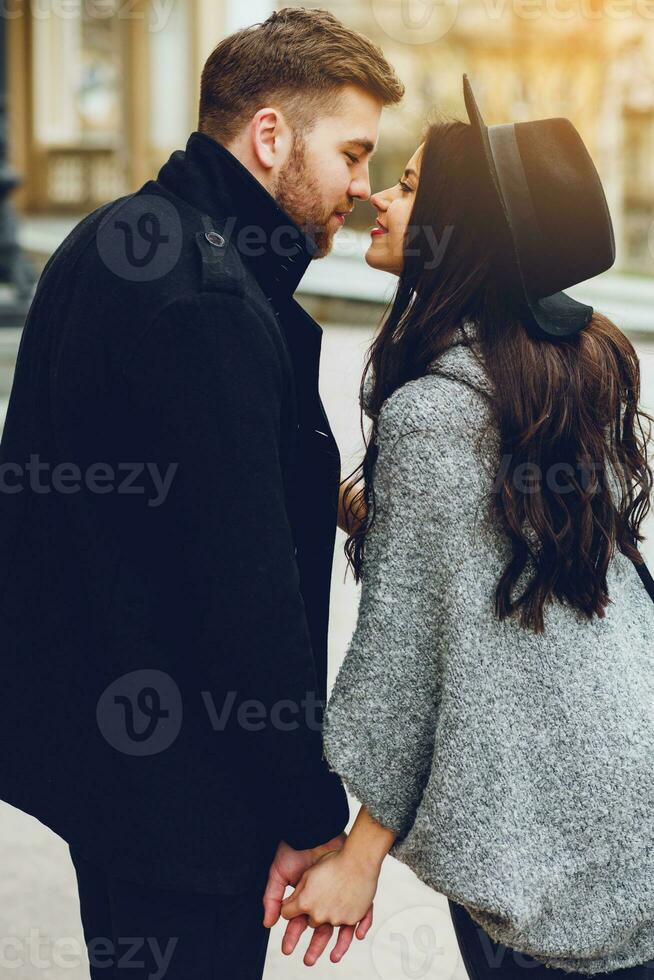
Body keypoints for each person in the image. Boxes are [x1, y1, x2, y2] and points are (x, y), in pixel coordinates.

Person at [0, 8, 404, 979]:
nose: (361, 184)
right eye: (351, 152)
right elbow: (242, 590)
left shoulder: (114, 236)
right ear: (270, 136)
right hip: (187, 788)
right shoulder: (209, 300)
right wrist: (306, 811)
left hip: (114, 760)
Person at [279, 76, 654, 976]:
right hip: (630, 785)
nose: (376, 194)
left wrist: (359, 857)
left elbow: (408, 657)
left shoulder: (433, 416)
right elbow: (499, 547)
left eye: (407, 187)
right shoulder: (570, 365)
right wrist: (359, 500)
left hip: (540, 833)